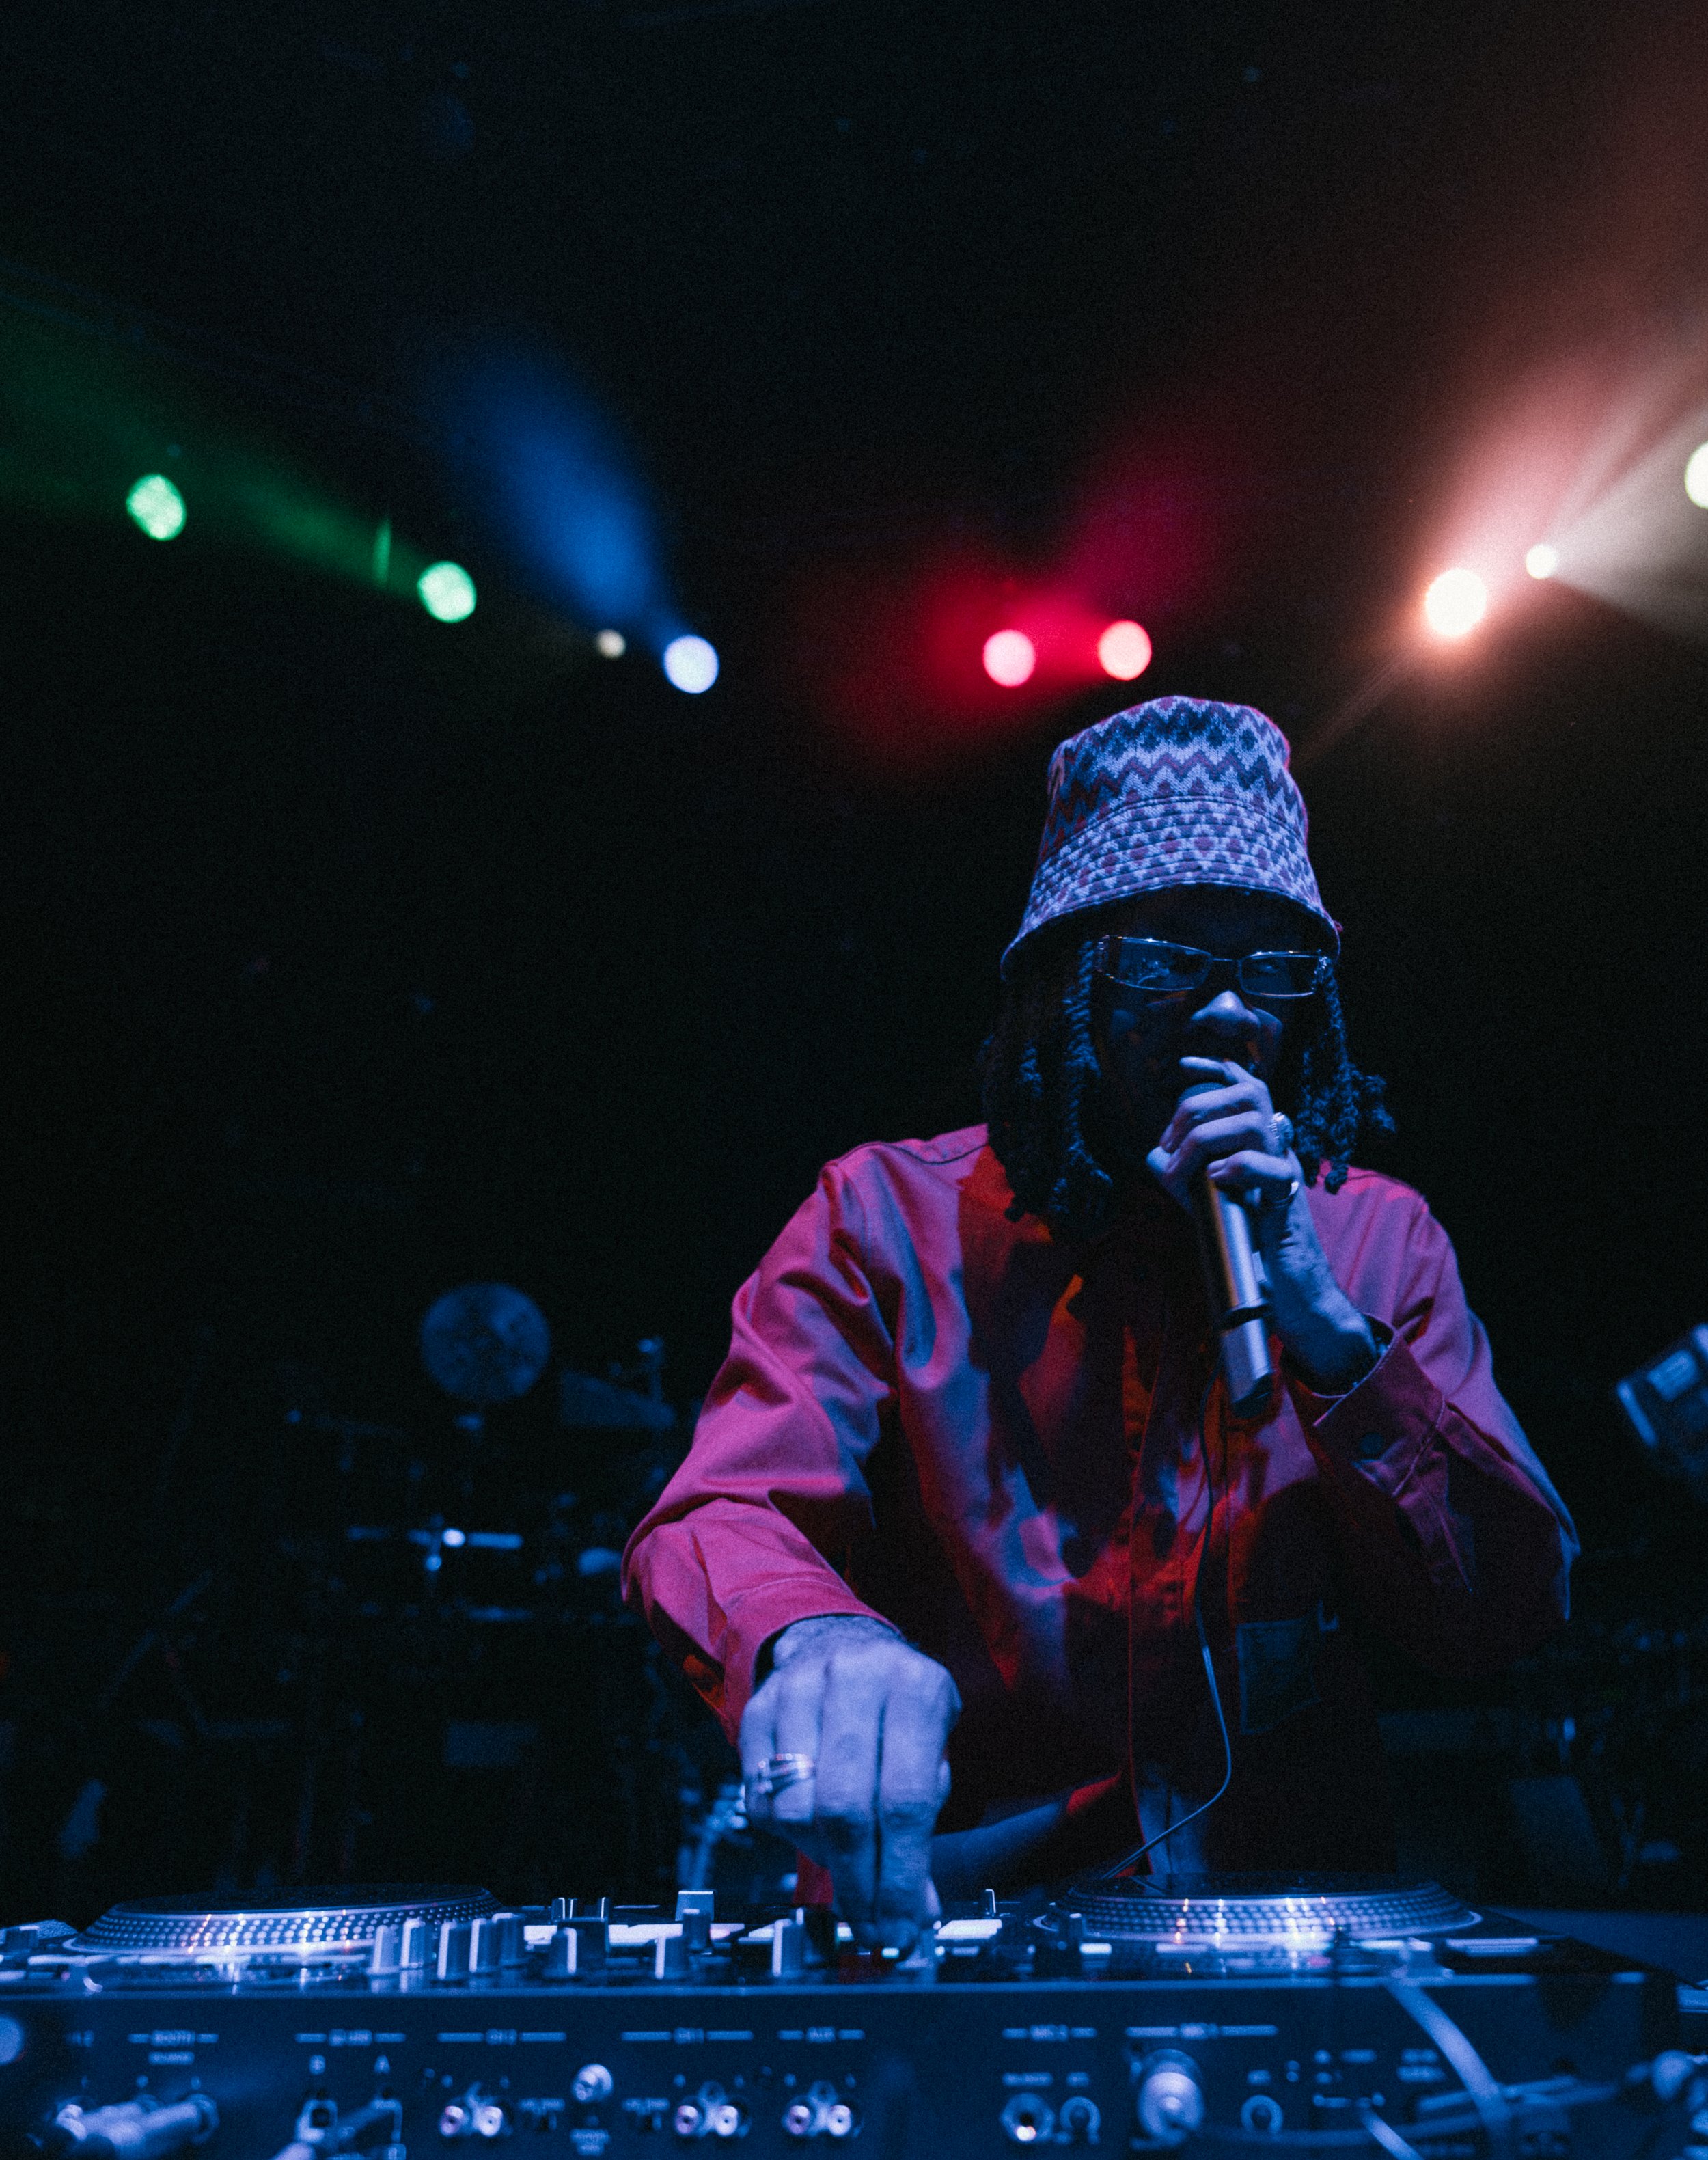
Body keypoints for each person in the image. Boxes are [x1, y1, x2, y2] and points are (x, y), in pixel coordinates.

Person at [622, 696, 1576, 1948]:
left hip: (1285, 1944)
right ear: (1065, 982)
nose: (1231, 1011)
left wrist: (1329, 1331)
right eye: (1168, 956)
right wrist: (815, 1641)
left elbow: (1503, 1612)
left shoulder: (1374, 1245)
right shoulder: (885, 1221)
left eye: (1271, 967)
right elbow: (721, 1512)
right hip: (962, 1935)